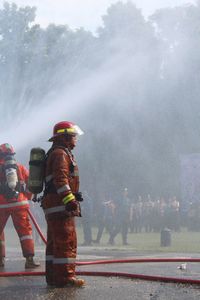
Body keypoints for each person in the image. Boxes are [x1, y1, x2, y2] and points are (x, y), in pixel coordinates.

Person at [42, 121, 85, 287]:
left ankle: (53, 277)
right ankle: (66, 277)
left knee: (54, 243)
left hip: (53, 205)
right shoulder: (60, 154)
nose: (76, 139)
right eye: (74, 135)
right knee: (66, 241)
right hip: (61, 206)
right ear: (65, 136)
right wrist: (70, 200)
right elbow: (61, 179)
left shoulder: (57, 152)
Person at [0, 143, 40, 268]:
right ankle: (29, 260)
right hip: (20, 204)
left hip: (1, 205)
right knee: (25, 232)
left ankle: (0, 260)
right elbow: (31, 185)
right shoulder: (20, 167)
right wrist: (28, 197)